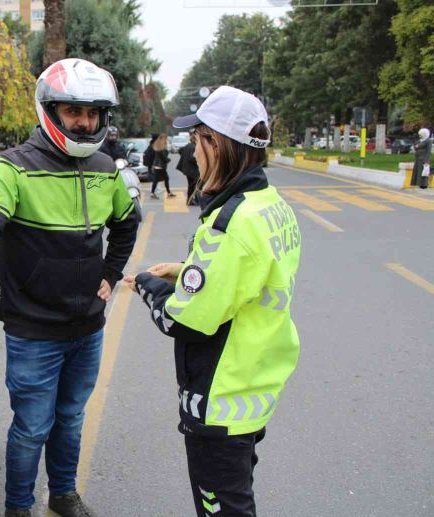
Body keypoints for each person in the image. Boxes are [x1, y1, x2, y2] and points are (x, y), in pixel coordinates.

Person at [0, 58, 138, 517]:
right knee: (33, 426)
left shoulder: (104, 168)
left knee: (71, 418)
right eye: (74, 111)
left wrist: (110, 275)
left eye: (94, 113)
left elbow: (127, 224)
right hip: (34, 328)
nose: (86, 121)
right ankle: (18, 507)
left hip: (87, 327)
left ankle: (62, 493)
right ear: (49, 111)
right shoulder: (13, 169)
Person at [123, 86, 301, 517]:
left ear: (216, 145)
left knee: (224, 508)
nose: (192, 151)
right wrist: (186, 271)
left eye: (197, 139)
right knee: (237, 495)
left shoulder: (229, 225)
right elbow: (244, 283)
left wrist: (147, 283)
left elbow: (183, 320)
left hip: (220, 402)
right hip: (253, 388)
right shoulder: (270, 206)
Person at [147, 132, 174, 198]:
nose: (166, 140)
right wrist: (168, 160)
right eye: (165, 138)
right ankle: (168, 193)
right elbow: (162, 157)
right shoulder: (161, 146)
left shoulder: (158, 145)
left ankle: (153, 193)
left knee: (156, 180)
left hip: (157, 166)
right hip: (160, 166)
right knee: (165, 178)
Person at [176, 134, 201, 205]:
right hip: (192, 170)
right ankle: (191, 200)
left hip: (187, 169)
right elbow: (192, 158)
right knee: (194, 185)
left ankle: (190, 200)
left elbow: (180, 150)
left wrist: (184, 156)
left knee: (191, 185)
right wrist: (199, 160)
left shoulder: (188, 145)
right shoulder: (193, 147)